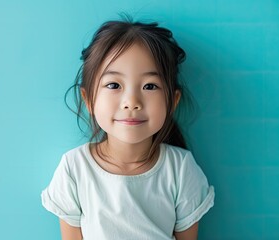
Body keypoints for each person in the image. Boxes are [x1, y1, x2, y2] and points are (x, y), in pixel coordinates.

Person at [41, 18, 215, 240]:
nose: (131, 101)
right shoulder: (74, 168)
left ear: (173, 101)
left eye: (149, 86)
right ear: (89, 99)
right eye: (114, 85)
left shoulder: (181, 169)